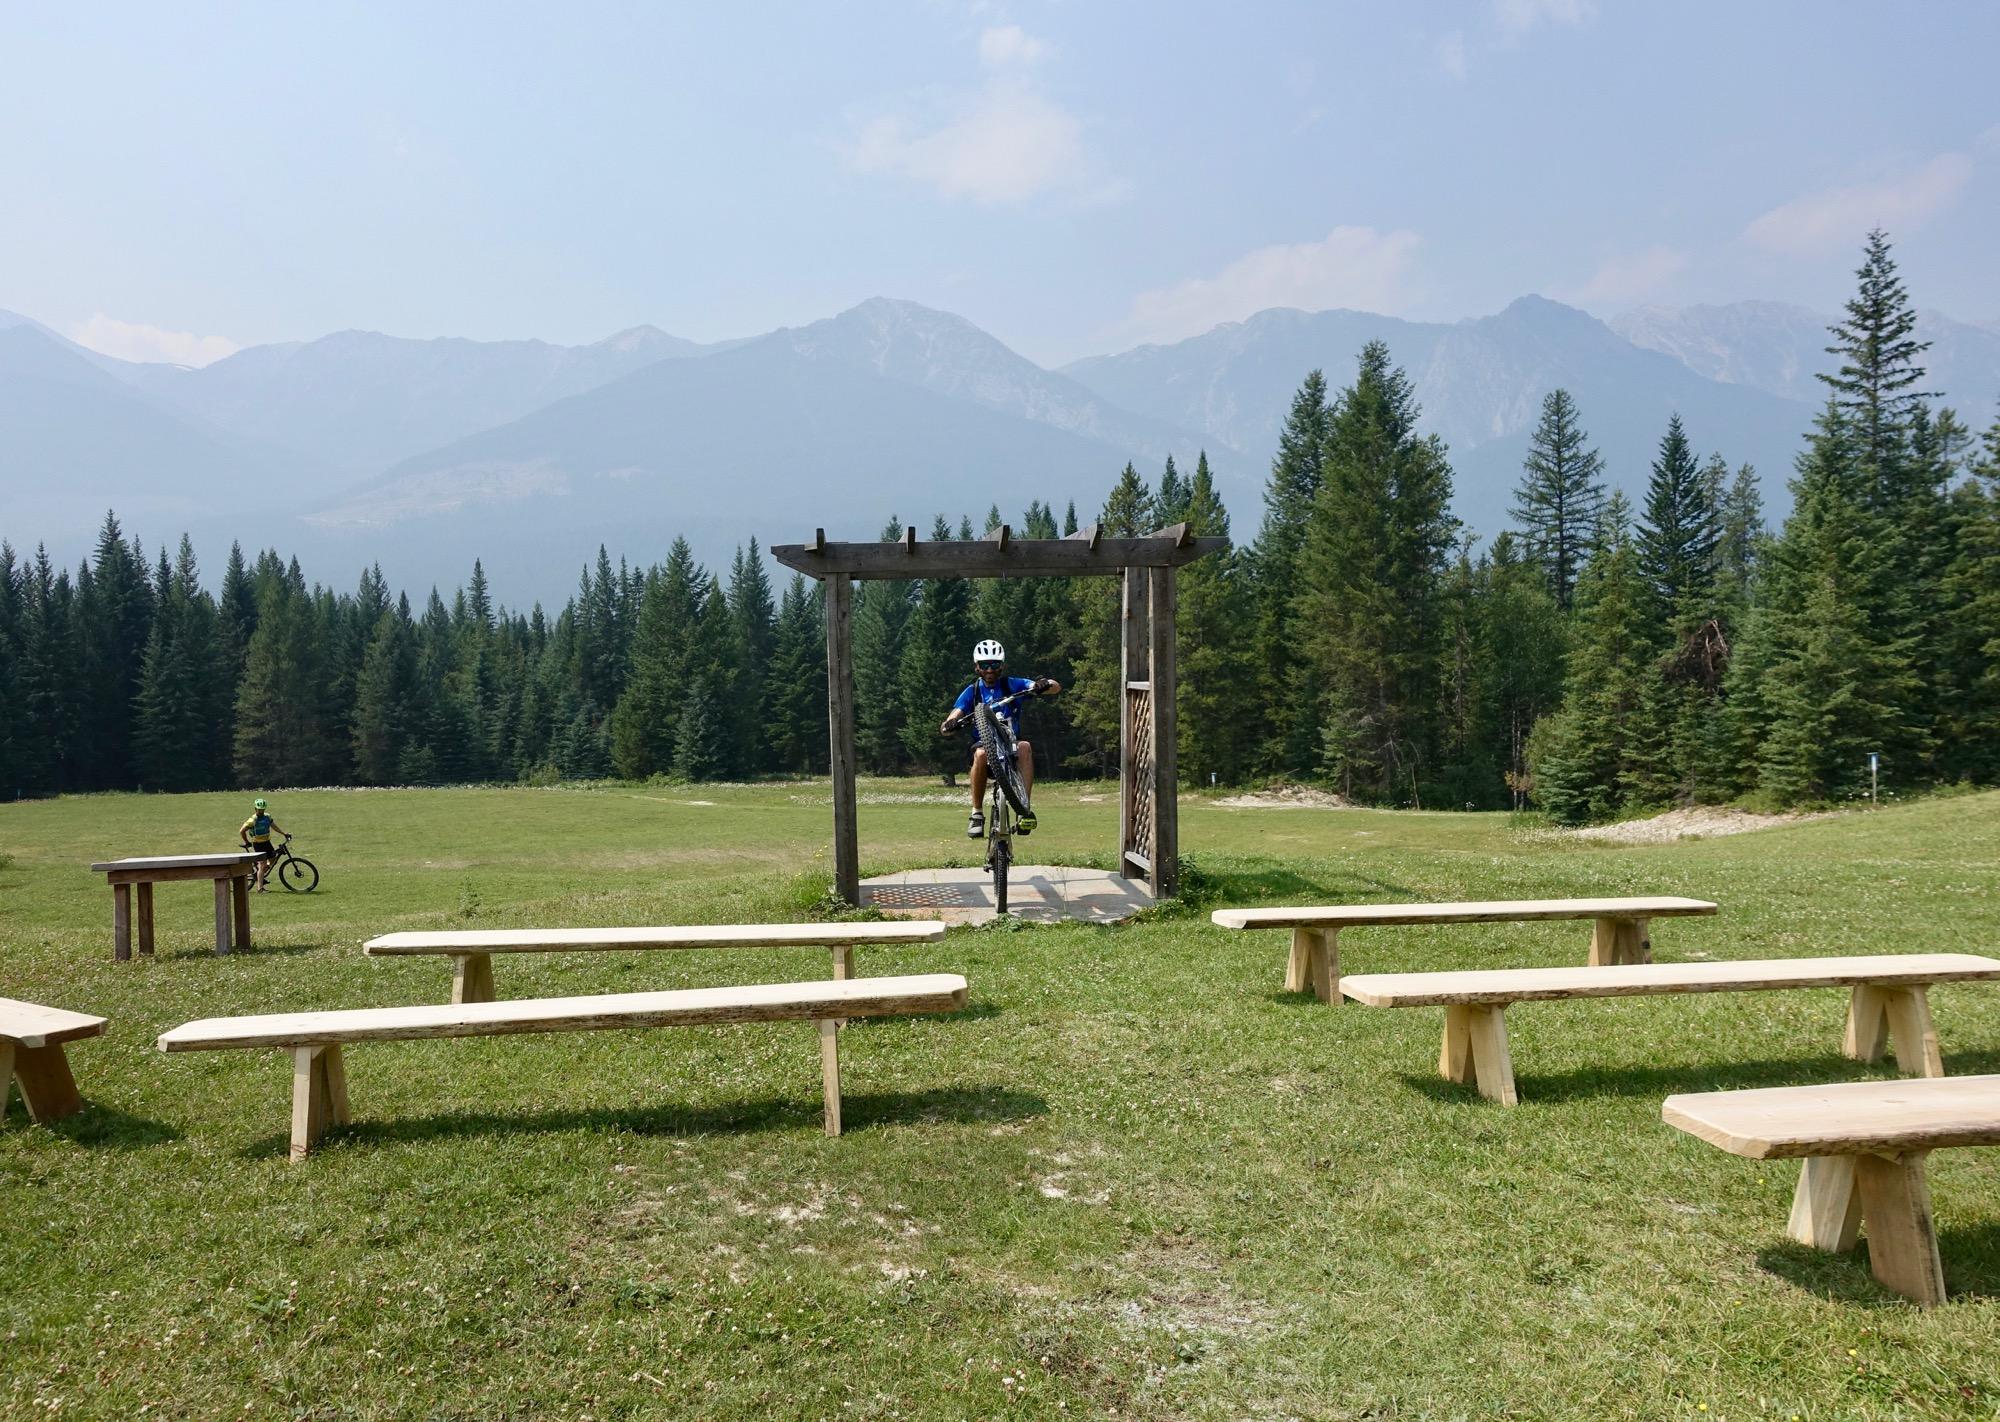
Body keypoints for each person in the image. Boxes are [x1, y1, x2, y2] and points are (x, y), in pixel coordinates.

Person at [939, 638, 1061, 839]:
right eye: (984, 665)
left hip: (1011, 744)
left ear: (1002, 665)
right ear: (976, 667)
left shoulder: (1013, 684)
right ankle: (976, 814)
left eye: (994, 664)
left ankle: (1024, 810)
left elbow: (1055, 687)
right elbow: (954, 716)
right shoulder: (973, 692)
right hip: (984, 746)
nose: (990, 670)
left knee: (1025, 747)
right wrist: (950, 724)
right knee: (980, 753)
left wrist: (1043, 684)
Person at [239, 797, 288, 892]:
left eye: (262, 809)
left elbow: (274, 826)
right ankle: (260, 888)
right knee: (262, 865)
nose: (261, 811)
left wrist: (283, 833)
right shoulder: (252, 820)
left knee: (273, 859)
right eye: (259, 809)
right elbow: (242, 831)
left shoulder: (267, 816)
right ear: (255, 808)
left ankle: (259, 874)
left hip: (267, 843)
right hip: (258, 844)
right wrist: (246, 842)